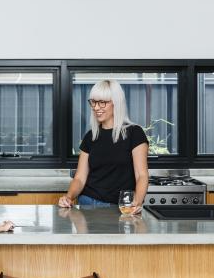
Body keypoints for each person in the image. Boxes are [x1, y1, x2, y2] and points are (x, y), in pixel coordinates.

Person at [58, 80, 149, 212]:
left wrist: (137, 202)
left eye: (102, 102)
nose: (96, 107)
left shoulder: (135, 133)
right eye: (93, 102)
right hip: (87, 202)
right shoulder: (90, 136)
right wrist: (68, 197)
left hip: (120, 206)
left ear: (116, 103)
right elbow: (79, 178)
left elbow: (141, 175)